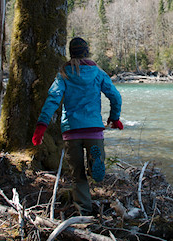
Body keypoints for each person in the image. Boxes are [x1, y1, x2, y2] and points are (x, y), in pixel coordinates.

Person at [32, 37, 123, 215]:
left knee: (77, 175)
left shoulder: (64, 73)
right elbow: (115, 96)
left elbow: (52, 99)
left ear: (71, 53)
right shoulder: (97, 72)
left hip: (71, 130)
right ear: (86, 52)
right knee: (95, 164)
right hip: (93, 129)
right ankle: (95, 163)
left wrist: (41, 126)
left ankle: (85, 212)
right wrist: (114, 118)